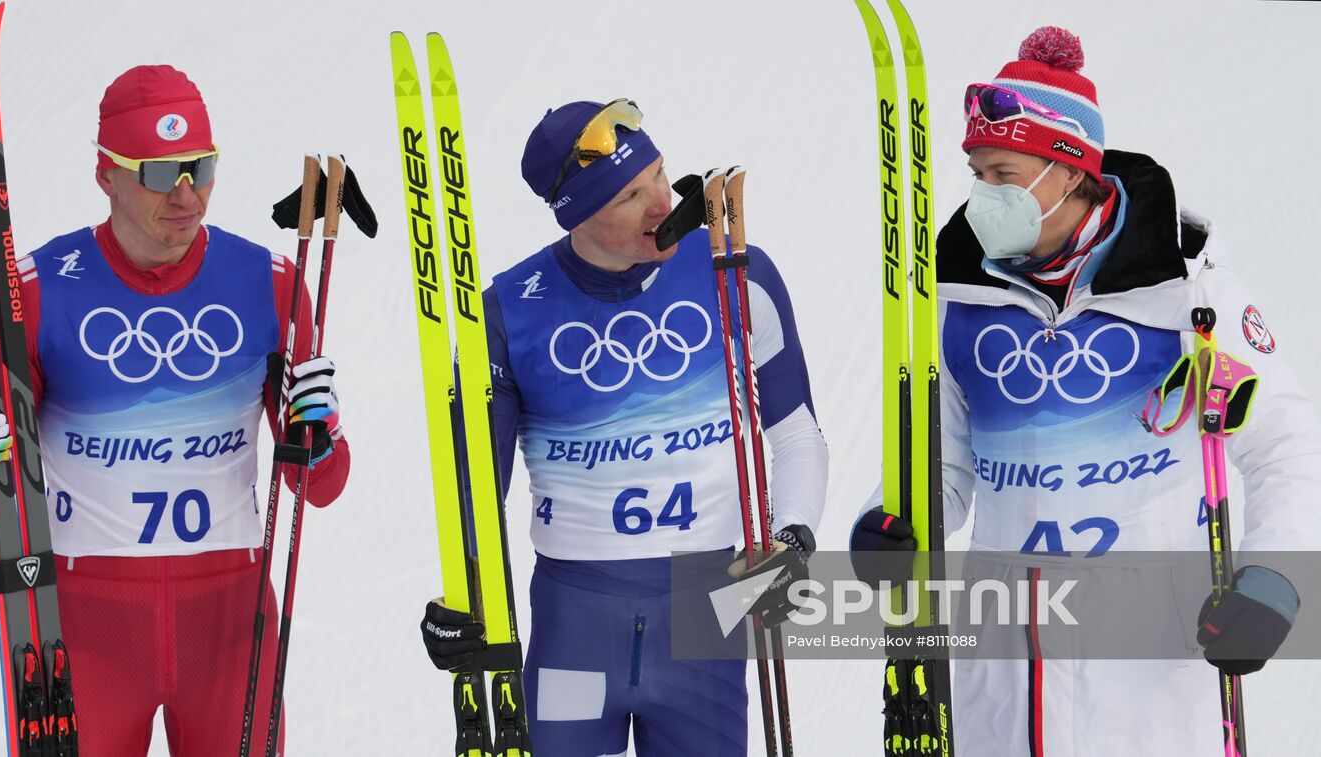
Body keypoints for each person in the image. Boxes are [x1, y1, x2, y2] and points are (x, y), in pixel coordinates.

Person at [849, 26, 1321, 756]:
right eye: (976, 172)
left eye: (1002, 175)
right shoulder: (958, 302)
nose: (982, 196)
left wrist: (1276, 580)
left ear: (1066, 171)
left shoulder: (1186, 294)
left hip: (1150, 674)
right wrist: (889, 525)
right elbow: (942, 467)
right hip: (1006, 675)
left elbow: (1287, 443)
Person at [0, 65, 351, 755]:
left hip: (227, 619)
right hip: (84, 626)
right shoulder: (34, 291)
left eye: (200, 166)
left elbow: (322, 485)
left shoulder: (271, 283)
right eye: (158, 173)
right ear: (106, 175)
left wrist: (322, 430)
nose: (186, 194)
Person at [418, 99, 829, 755]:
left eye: (661, 176)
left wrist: (794, 536)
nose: (663, 204)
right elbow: (476, 496)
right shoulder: (507, 311)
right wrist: (463, 601)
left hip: (708, 609)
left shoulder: (734, 271)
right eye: (630, 196)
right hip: (575, 619)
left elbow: (796, 433)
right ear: (577, 214)